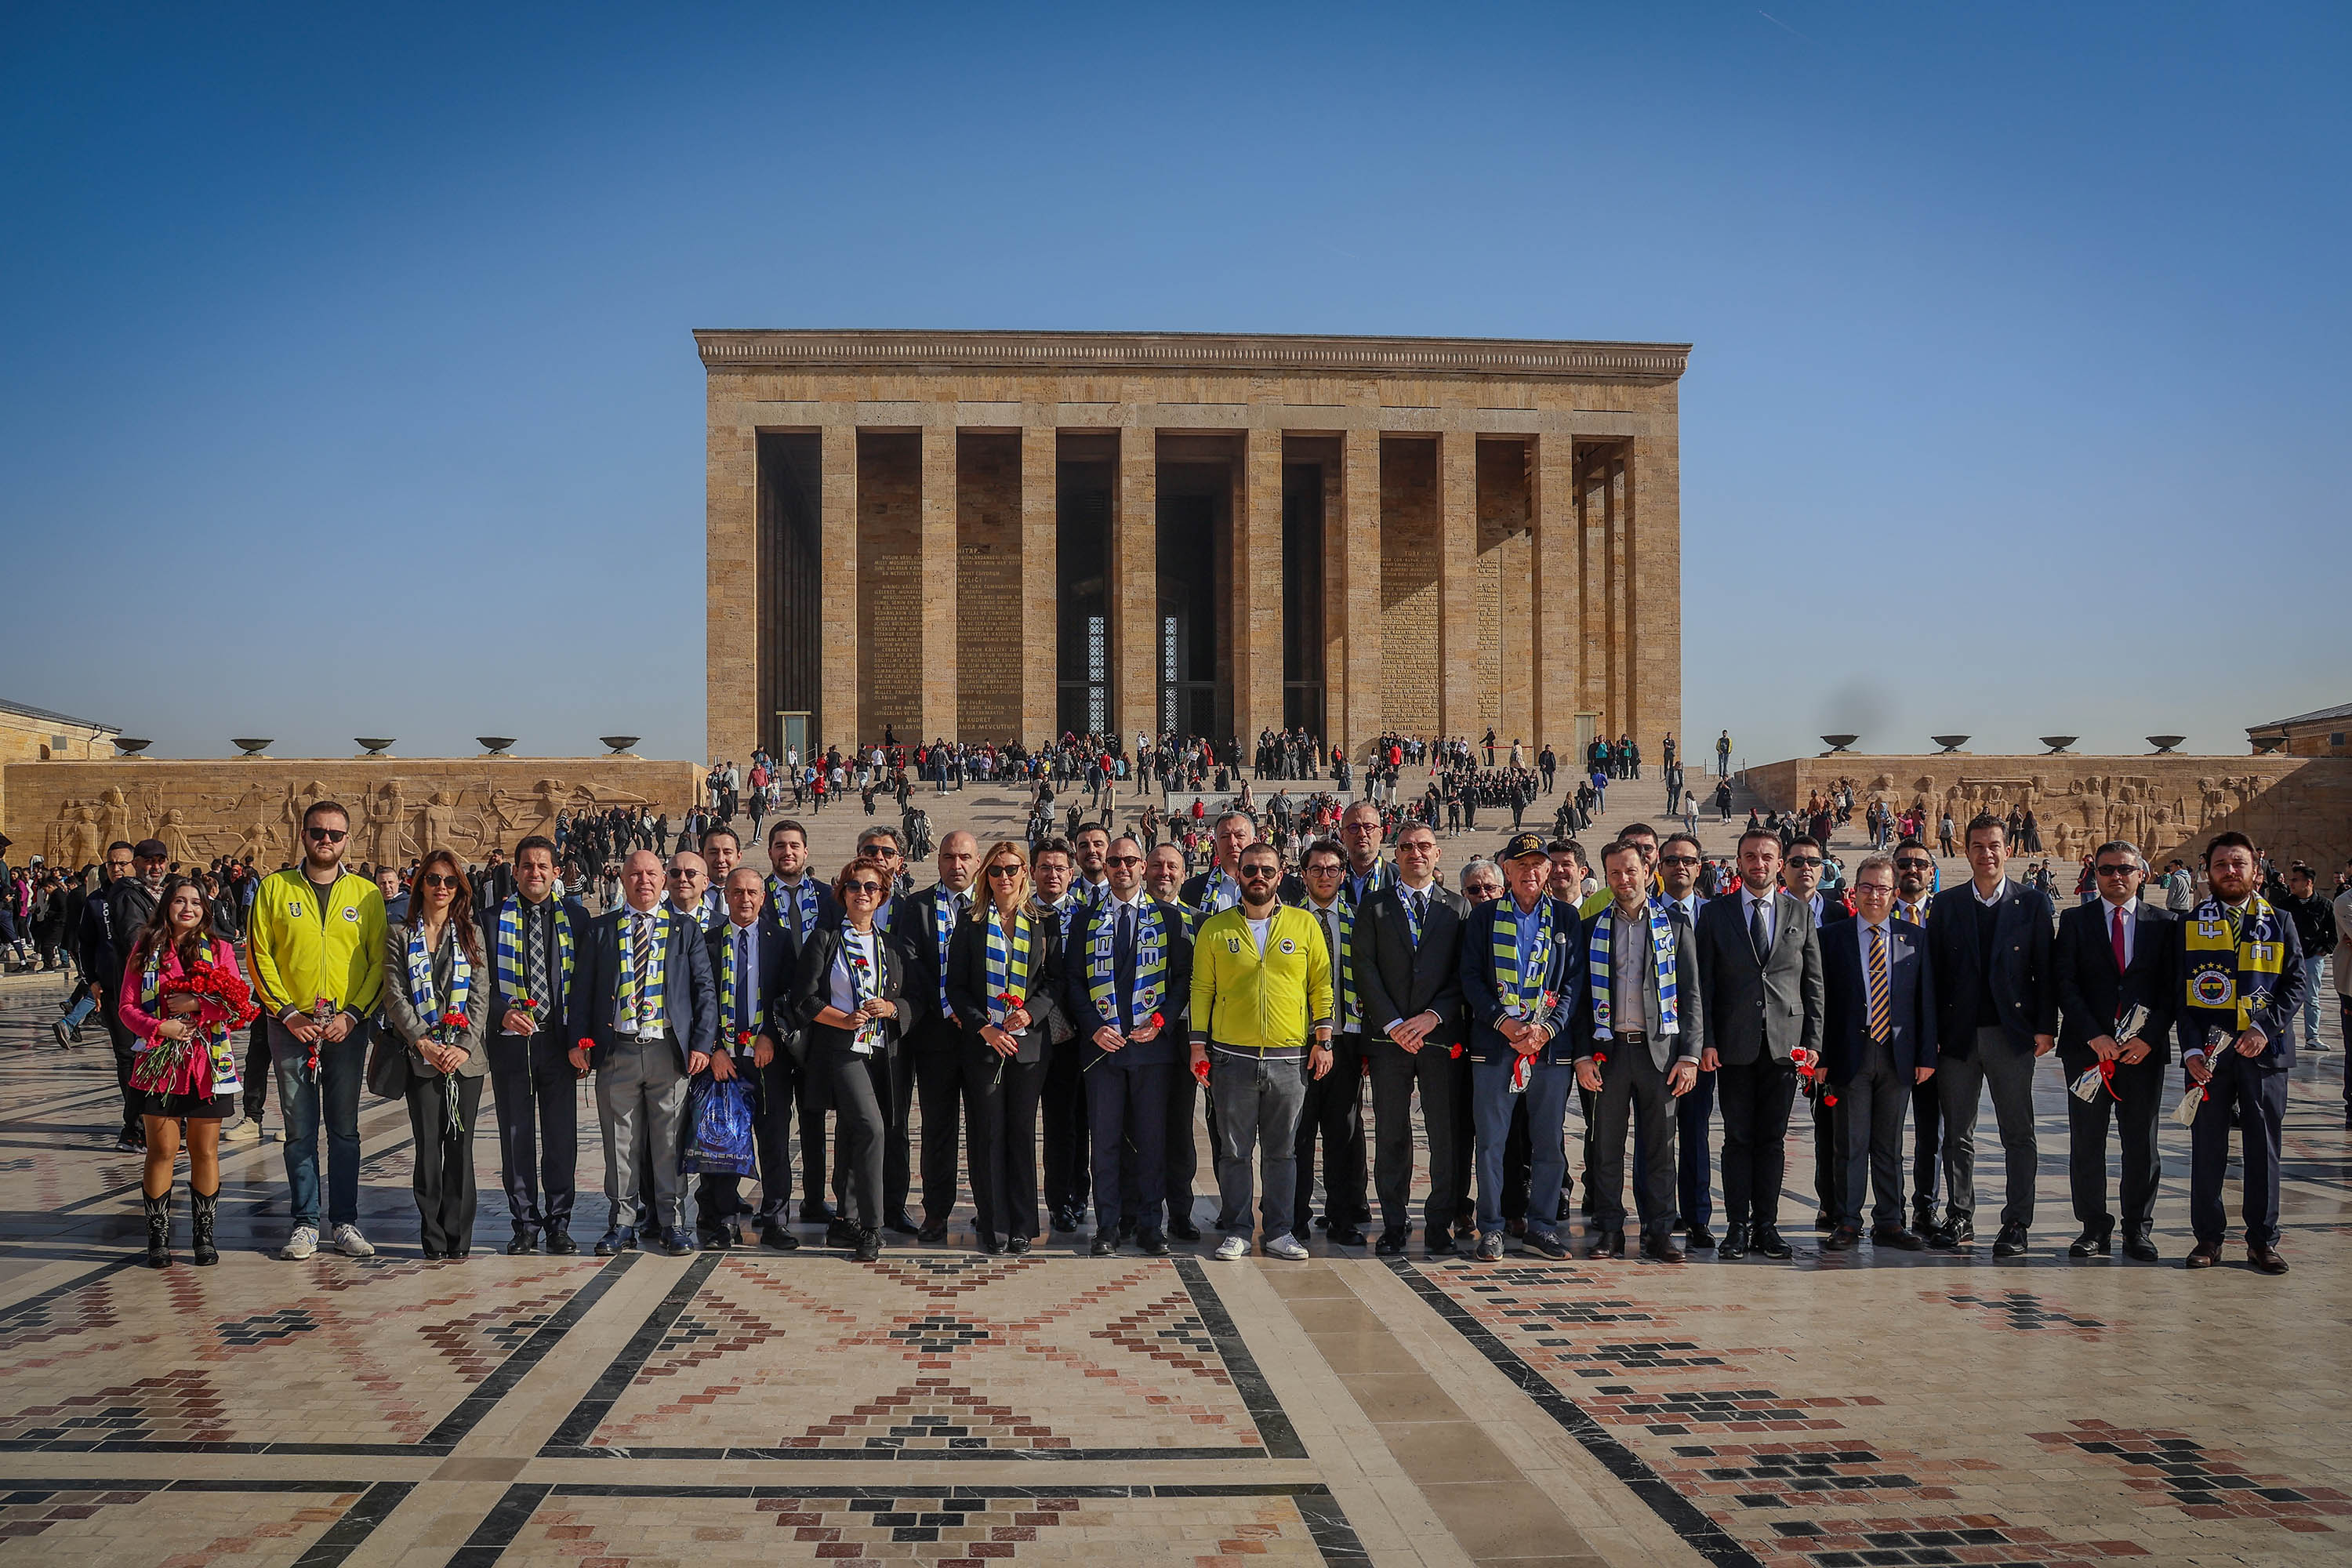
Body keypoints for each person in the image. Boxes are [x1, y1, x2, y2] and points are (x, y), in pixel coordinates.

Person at [247, 802, 387, 1261]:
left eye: (335, 833)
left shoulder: (366, 894)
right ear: (303, 835)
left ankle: (344, 1221)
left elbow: (376, 961)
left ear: (349, 839)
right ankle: (305, 1221)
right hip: (292, 1027)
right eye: (317, 832)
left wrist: (353, 1013)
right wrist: (287, 1013)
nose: (326, 840)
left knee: (345, 1129)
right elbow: (260, 954)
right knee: (299, 1129)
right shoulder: (274, 888)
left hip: (346, 1027)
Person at [571, 849, 717, 1258]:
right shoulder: (602, 930)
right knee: (620, 1142)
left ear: (663, 879)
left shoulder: (684, 929)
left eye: (652, 873)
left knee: (669, 1142)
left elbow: (704, 990)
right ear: (623, 878)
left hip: (667, 1052)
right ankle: (621, 1222)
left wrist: (702, 1044)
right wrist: (577, 1041)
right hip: (617, 1050)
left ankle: (673, 1223)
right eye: (636, 874)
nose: (644, 881)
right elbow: (582, 990)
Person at [1192, 839, 1333, 1261]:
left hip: (1288, 1057)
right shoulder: (1215, 928)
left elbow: (1321, 985)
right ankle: (1237, 1227)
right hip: (1231, 1057)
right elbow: (1202, 990)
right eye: (1250, 870)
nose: (1258, 877)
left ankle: (1279, 1229)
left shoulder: (1304, 924)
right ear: (1238, 874)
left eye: (1266, 871)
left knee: (1282, 1151)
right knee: (1234, 1150)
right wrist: (1197, 1046)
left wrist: (1323, 1039)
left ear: (1281, 874)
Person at [1923, 814, 2057, 1256]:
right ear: (1966, 850)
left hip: (2011, 1035)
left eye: (1995, 845)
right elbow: (1934, 975)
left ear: (2009, 849)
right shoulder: (1946, 904)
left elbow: (2044, 970)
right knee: (1957, 1132)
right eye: (1978, 846)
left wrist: (2044, 1027)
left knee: (2017, 1132)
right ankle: (1960, 1214)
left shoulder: (2032, 904)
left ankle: (2017, 1221)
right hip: (1957, 1037)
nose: (1987, 854)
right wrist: (1934, 1033)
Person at [2178, 832, 2306, 1275]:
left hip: (2263, 1051)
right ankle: (2208, 1238)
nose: (2230, 872)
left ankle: (2262, 1240)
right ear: (2207, 871)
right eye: (2221, 865)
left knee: (2263, 1146)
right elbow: (2182, 996)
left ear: (2255, 869)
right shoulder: (2190, 923)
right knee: (2207, 1146)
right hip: (2209, 1053)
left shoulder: (2281, 920)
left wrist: (2263, 1029)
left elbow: (2295, 984)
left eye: (2238, 864)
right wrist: (2192, 1049)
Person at [1693, 828, 1820, 1261]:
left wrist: (1813, 1042)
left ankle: (1767, 1225)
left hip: (1785, 1048)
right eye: (1750, 856)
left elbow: (1813, 983)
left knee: (1773, 1140)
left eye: (1767, 856)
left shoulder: (1798, 912)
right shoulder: (1716, 913)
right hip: (1734, 1045)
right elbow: (1703, 985)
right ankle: (1737, 1227)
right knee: (1737, 1138)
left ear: (1780, 862)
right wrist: (1707, 1041)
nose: (1759, 864)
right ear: (1739, 860)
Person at [1576, 837, 1704, 1261]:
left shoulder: (1675, 925)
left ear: (1648, 872)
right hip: (1609, 1052)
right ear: (1606, 877)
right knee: (1606, 1146)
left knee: (1660, 1147)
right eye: (1615, 873)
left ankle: (1659, 1231)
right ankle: (1610, 1229)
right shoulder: (1592, 928)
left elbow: (1692, 993)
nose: (1623, 879)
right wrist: (1580, 1055)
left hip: (1660, 1054)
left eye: (1631, 870)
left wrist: (1689, 1055)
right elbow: (1577, 999)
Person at [118, 876, 253, 1267]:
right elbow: (127, 1007)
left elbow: (235, 1007)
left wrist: (197, 1005)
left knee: (204, 1151)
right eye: (179, 901)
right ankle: (158, 1238)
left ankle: (203, 1235)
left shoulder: (221, 949)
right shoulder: (145, 951)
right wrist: (159, 1027)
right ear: (167, 907)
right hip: (159, 1064)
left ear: (205, 909)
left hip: (208, 1064)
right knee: (161, 1150)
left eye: (195, 902)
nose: (188, 908)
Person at [1066, 833, 1191, 1256]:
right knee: (1103, 1141)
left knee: (1152, 1139)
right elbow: (1074, 983)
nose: (1122, 868)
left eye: (1130, 861)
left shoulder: (1169, 920)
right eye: (1114, 861)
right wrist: (1092, 1027)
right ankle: (1107, 1225)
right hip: (1102, 1049)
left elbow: (1180, 984)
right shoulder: (1085, 919)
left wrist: (1160, 1022)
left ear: (1143, 867)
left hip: (1151, 1048)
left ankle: (1151, 1225)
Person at [2053, 840, 2175, 1263]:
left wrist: (2149, 1038)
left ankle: (2137, 1228)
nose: (2116, 877)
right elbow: (2064, 983)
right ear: (2095, 875)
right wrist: (2094, 1036)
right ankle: (2093, 1227)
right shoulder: (2075, 920)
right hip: (2088, 1052)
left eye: (2125, 869)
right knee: (2087, 1142)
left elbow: (2172, 989)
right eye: (2107, 870)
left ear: (2142, 874)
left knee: (2141, 1142)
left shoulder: (2165, 923)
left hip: (2142, 1053)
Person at [1461, 833, 1581, 1261]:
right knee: (1492, 1142)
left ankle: (1542, 1226)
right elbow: (1471, 978)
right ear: (1506, 870)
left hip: (1548, 1049)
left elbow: (1572, 984)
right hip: (1496, 1046)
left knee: (1549, 1142)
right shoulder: (1484, 918)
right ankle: (1492, 1225)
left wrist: (1547, 1028)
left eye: (1538, 864)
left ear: (1548, 870)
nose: (1530, 872)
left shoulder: (1566, 918)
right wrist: (1505, 1021)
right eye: (1521, 864)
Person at [789, 857, 911, 1261]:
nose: (862, 893)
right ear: (842, 893)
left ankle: (846, 1218)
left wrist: (892, 1010)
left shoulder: (890, 945)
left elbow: (914, 1000)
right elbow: (803, 1000)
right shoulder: (824, 938)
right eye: (854, 886)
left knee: (854, 1133)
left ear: (882, 896)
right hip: (841, 1051)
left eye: (871, 888)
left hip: (880, 1052)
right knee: (872, 1128)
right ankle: (873, 1228)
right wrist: (842, 1020)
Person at [1355, 821, 1467, 1258]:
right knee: (1392, 1135)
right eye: (1405, 847)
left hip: (1439, 1038)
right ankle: (1395, 1224)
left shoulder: (1458, 908)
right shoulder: (1375, 906)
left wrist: (1431, 1017)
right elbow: (1363, 967)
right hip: (1390, 1042)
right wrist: (1393, 1024)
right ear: (1395, 855)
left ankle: (1439, 1224)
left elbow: (1465, 973)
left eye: (1424, 846)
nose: (1415, 853)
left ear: (1438, 854)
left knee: (1444, 1135)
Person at [948, 840, 1065, 1253]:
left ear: (1025, 873)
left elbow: (1055, 981)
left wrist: (1031, 1013)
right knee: (987, 1133)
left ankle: (1021, 1225)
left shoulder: (1045, 921)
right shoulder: (970, 921)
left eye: (1012, 869)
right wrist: (985, 1028)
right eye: (996, 871)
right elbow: (956, 987)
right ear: (987, 877)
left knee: (1020, 1133)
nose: (1004, 878)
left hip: (1029, 1046)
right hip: (984, 1045)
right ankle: (993, 1225)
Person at [1819, 855, 1936, 1251]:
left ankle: (1890, 1220)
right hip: (1850, 1052)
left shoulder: (1914, 938)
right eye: (1867, 887)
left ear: (1895, 892)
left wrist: (1926, 1055)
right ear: (1855, 890)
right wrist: (1819, 1056)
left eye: (1883, 888)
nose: (1875, 895)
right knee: (1850, 1142)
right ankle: (1847, 1221)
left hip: (1897, 1053)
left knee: (1889, 1143)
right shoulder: (1832, 938)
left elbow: (1925, 1002)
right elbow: (1822, 1002)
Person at [381, 849, 489, 1259]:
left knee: (460, 1146)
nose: (441, 887)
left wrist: (461, 1047)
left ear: (459, 887)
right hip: (420, 1055)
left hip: (466, 1059)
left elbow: (480, 996)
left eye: (449, 881)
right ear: (419, 884)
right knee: (428, 1146)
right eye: (433, 879)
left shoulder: (471, 933)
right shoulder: (398, 933)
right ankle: (432, 1235)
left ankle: (459, 1237)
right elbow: (395, 994)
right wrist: (423, 1041)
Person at [485, 835, 590, 1255]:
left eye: (543, 866)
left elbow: (587, 986)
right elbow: (478, 983)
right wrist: (500, 1011)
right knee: (516, 1136)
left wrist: (584, 1042)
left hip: (559, 1044)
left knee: (561, 1137)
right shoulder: (491, 920)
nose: (535, 873)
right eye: (527, 866)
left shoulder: (577, 919)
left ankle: (559, 1223)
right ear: (515, 872)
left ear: (556, 872)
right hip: (512, 1044)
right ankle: (525, 1222)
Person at [695, 866, 793, 1249]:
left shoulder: (781, 941)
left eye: (753, 892)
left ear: (763, 897)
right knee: (721, 1142)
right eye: (738, 892)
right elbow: (699, 1001)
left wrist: (770, 1034)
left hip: (768, 1058)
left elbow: (790, 995)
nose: (746, 899)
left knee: (774, 1143)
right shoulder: (707, 942)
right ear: (727, 896)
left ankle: (774, 1220)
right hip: (724, 1061)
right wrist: (715, 1048)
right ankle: (722, 1222)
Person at [895, 831, 978, 1243]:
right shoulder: (918, 906)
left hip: (984, 1035)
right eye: (948, 857)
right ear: (938, 861)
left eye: (964, 857)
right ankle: (936, 1211)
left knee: (985, 1126)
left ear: (977, 862)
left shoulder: (993, 904)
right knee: (938, 1129)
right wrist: (949, 1008)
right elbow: (911, 962)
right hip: (936, 1036)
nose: (956, 865)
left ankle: (990, 1206)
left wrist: (975, 1014)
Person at [764, 818, 844, 1225]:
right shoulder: (755, 896)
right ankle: (773, 1203)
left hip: (818, 1025)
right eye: (780, 846)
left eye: (794, 846)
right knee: (774, 1119)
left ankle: (815, 1198)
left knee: (814, 1118)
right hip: (772, 1025)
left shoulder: (830, 898)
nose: (787, 852)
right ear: (770, 853)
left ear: (806, 852)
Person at [1290, 839, 1368, 1247]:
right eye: (1317, 869)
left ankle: (1342, 1217)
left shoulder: (1357, 920)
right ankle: (1296, 1218)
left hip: (1346, 1041)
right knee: (1299, 1135)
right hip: (1298, 1043)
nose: (1325, 876)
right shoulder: (1286, 920)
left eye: (1333, 869)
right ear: (1303, 875)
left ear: (1342, 874)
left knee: (1342, 1133)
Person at [1653, 833, 1716, 1247]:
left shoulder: (1718, 915)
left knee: (1695, 1131)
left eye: (1688, 860)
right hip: (1655, 1044)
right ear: (1658, 867)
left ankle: (1697, 1216)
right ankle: (1656, 1215)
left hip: (1702, 1045)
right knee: (1656, 1134)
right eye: (1671, 859)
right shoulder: (1644, 913)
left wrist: (1705, 1044)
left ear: (1699, 867)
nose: (1680, 866)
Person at [1888, 839, 1944, 1236]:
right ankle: (1886, 1213)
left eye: (1920, 864)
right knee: (1884, 1134)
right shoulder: (1873, 910)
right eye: (1904, 863)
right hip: (1885, 1040)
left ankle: (1926, 1206)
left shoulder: (1948, 914)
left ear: (1931, 871)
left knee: (1932, 1132)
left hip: (1935, 1043)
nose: (1912, 870)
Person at [2277, 864, 2335, 1052]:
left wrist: (2325, 949)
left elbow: (2334, 932)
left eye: (2295, 880)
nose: (2291, 883)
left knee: (2312, 998)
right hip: (2288, 958)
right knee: (2285, 996)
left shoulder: (2324, 905)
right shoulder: (2286, 905)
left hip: (2312, 958)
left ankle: (2313, 1037)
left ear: (2308, 882)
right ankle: (2283, 1035)